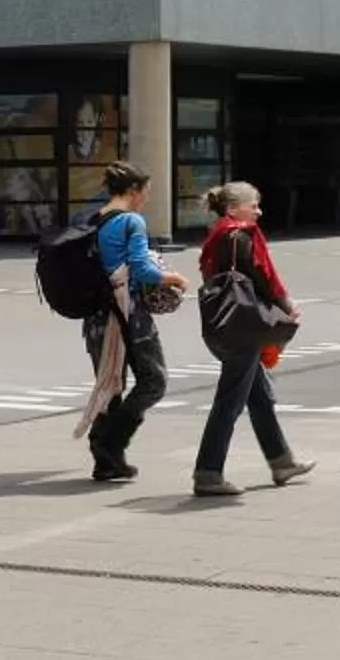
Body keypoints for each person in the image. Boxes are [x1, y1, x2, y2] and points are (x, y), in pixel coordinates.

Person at [190, 181, 314, 498]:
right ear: (233, 209)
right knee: (229, 401)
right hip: (244, 327)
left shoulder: (217, 236)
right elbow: (264, 277)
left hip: (226, 324)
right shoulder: (241, 235)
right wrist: (286, 305)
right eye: (253, 205)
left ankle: (281, 461)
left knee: (258, 397)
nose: (258, 211)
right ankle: (208, 473)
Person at [76, 162, 183, 484]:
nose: (146, 199)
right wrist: (174, 277)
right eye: (146, 191)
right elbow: (142, 270)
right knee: (154, 381)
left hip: (96, 317)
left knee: (111, 386)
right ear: (134, 190)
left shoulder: (92, 219)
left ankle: (105, 460)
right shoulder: (130, 221)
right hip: (129, 317)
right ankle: (111, 443)